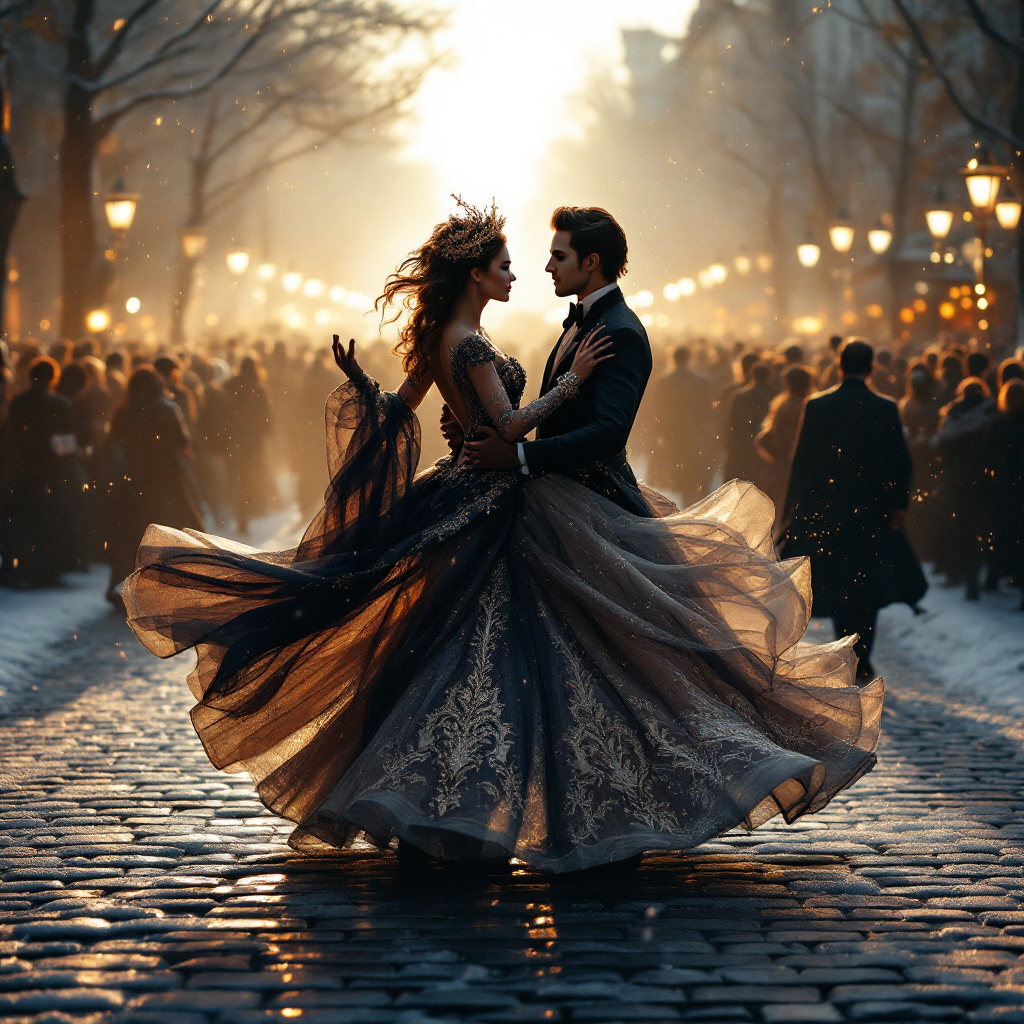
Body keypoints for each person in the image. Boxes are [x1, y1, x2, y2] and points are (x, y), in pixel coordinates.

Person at [123, 200, 882, 874]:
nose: (525, 272)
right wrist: (563, 386)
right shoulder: (480, 344)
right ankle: (498, 797)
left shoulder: (468, 335)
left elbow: (406, 412)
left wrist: (373, 392)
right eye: (509, 264)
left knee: (463, 659)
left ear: (590, 262)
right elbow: (511, 424)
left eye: (544, 259)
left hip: (489, 493)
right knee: (516, 659)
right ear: (475, 275)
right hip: (498, 501)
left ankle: (453, 799)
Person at [781, 338, 922, 679]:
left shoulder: (817, 406)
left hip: (830, 509)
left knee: (840, 578)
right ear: (871, 368)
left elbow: (803, 463)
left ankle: (847, 647)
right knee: (867, 582)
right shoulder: (885, 407)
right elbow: (900, 461)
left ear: (839, 365)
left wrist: (795, 509)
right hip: (872, 510)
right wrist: (898, 504)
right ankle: (862, 652)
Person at [101, 367, 203, 604]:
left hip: (133, 482)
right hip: (165, 481)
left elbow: (113, 443)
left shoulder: (124, 412)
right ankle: (172, 585)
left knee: (131, 535)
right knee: (171, 531)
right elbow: (182, 441)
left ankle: (123, 584)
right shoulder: (167, 409)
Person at [0, 356, 79, 587]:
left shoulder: (18, 402)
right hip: (51, 470)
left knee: (21, 519)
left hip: (21, 468)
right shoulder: (61, 404)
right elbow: (68, 441)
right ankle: (44, 569)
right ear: (53, 377)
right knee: (47, 520)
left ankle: (17, 566)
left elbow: (9, 436)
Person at [645, 344, 714, 506]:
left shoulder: (664, 380)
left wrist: (657, 430)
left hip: (672, 429)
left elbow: (658, 408)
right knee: (690, 464)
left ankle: (677, 498)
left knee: (674, 462)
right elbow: (704, 408)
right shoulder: (699, 381)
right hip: (691, 429)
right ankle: (687, 497)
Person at [755, 364, 813, 539]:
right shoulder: (810, 405)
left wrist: (779, 458)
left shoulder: (783, 405)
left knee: (778, 519)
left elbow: (763, 439)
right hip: (804, 470)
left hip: (780, 471)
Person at [725, 360, 774, 484]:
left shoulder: (740, 396)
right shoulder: (775, 395)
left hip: (744, 444)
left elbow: (732, 424)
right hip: (766, 447)